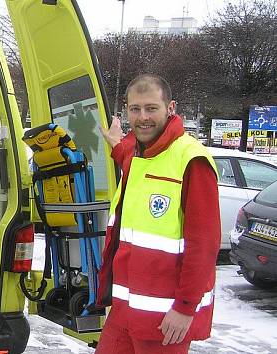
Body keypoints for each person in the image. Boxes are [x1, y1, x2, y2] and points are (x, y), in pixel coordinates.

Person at [94, 74, 220, 354]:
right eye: (135, 109)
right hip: (125, 311)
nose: (142, 117)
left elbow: (204, 245)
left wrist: (185, 309)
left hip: (166, 320)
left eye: (151, 108)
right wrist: (116, 145)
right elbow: (132, 156)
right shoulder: (137, 152)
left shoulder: (191, 160)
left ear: (170, 108)